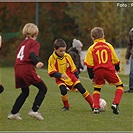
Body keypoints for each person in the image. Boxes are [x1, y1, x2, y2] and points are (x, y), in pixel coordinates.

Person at [8, 23, 48, 120]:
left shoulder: (21, 44)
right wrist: (37, 62)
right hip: (26, 68)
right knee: (43, 88)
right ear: (36, 33)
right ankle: (34, 110)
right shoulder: (34, 43)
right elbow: (32, 53)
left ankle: (13, 113)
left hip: (17, 68)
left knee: (25, 92)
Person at [84, 27, 124, 114]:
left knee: (97, 88)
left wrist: (92, 77)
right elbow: (115, 60)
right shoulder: (108, 46)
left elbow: (89, 65)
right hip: (109, 69)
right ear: (103, 36)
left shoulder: (91, 48)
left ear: (92, 37)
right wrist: (117, 68)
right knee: (120, 85)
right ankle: (115, 103)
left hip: (98, 71)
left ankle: (96, 107)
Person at [48, 39, 93, 111]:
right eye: (60, 51)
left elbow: (73, 68)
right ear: (55, 49)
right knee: (63, 90)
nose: (63, 52)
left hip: (71, 77)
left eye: (64, 50)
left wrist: (77, 77)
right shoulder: (52, 59)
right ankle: (66, 106)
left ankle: (92, 105)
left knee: (82, 89)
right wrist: (61, 75)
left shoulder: (67, 56)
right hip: (60, 79)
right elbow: (51, 72)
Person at [124, 28, 133, 93]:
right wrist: (127, 57)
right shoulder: (131, 32)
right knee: (132, 72)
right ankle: (131, 88)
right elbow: (129, 45)